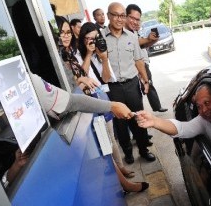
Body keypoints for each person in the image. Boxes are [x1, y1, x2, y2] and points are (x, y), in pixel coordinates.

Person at [59, 20, 149, 193]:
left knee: (109, 138)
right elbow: (79, 80)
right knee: (104, 141)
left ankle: (120, 170)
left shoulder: (97, 54)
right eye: (88, 39)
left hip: (101, 96)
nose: (93, 42)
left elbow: (106, 78)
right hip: (87, 102)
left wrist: (104, 59)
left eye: (95, 38)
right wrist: (87, 55)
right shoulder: (73, 54)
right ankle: (122, 181)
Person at [103, 2, 155, 164]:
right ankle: (127, 153)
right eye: (116, 15)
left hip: (132, 84)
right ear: (108, 16)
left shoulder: (132, 37)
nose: (119, 19)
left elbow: (139, 61)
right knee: (120, 122)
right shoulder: (100, 37)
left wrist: (145, 80)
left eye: (122, 15)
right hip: (113, 87)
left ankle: (144, 149)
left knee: (138, 118)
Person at [125, 4, 168, 113]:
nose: (135, 22)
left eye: (137, 20)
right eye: (132, 18)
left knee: (148, 84)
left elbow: (142, 45)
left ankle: (156, 106)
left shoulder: (134, 31)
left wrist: (153, 40)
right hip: (129, 72)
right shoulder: (120, 32)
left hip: (142, 63)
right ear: (125, 16)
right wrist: (147, 39)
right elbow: (135, 43)